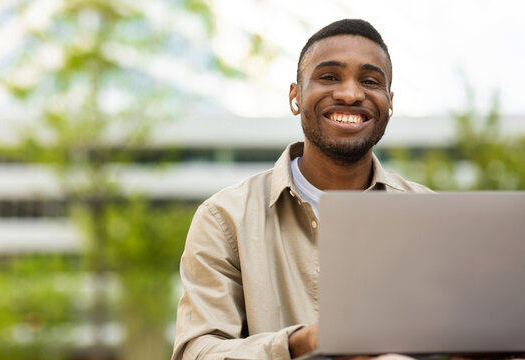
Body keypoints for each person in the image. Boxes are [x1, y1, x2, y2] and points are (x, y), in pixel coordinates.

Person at [172, 19, 432, 360]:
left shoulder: (429, 214)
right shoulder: (224, 218)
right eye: (328, 77)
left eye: (370, 81)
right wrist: (303, 342)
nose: (350, 94)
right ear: (295, 97)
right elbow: (198, 351)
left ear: (389, 102)